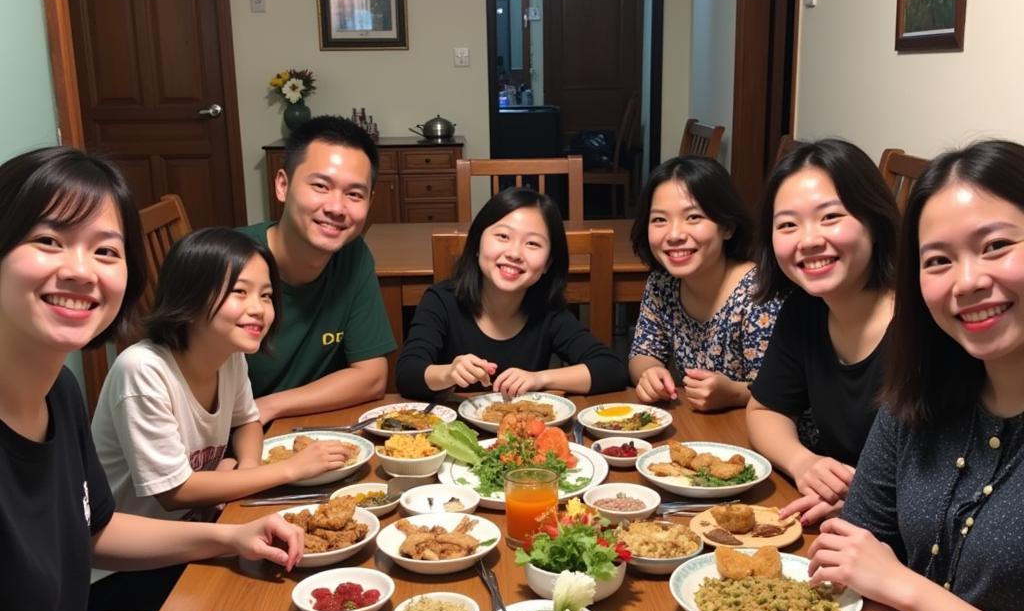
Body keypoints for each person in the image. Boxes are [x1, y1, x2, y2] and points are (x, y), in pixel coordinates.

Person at [0, 148, 303, 611]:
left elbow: (96, 529)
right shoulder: (130, 371)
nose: (79, 268)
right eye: (47, 241)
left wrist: (230, 538)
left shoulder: (59, 393)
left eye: (104, 250)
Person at [808, 139, 1024, 611]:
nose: (967, 281)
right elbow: (855, 550)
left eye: (996, 246)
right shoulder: (915, 400)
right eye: (938, 260)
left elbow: (884, 571)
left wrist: (904, 591)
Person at [88, 228, 352, 611]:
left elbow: (247, 421)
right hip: (122, 570)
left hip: (194, 531)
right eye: (239, 292)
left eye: (266, 295)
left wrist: (246, 473)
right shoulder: (142, 371)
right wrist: (288, 469)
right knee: (264, 605)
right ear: (189, 296)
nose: (259, 308)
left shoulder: (227, 354)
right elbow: (175, 491)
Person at [746, 139, 900, 527]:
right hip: (835, 519)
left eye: (831, 217)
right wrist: (803, 462)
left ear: (875, 220)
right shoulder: (806, 308)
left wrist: (866, 503)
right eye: (787, 225)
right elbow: (766, 409)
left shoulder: (924, 324)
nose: (809, 240)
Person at [395, 187, 627, 398]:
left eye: (533, 244)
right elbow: (407, 374)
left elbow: (611, 368)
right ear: (477, 244)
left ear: (548, 263)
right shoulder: (442, 301)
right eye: (503, 236)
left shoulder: (548, 313)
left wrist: (540, 378)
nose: (515, 253)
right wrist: (449, 373)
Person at [241, 115, 395, 423]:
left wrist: (270, 407)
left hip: (301, 428)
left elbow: (372, 377)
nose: (336, 208)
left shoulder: (353, 255)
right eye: (321, 186)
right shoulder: (226, 261)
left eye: (354, 194)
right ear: (283, 185)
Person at [627, 156, 782, 409]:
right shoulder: (661, 284)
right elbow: (643, 353)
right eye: (659, 220)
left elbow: (782, 391)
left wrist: (734, 393)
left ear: (727, 227)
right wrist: (649, 373)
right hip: (705, 432)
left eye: (693, 217)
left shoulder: (758, 294)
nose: (674, 234)